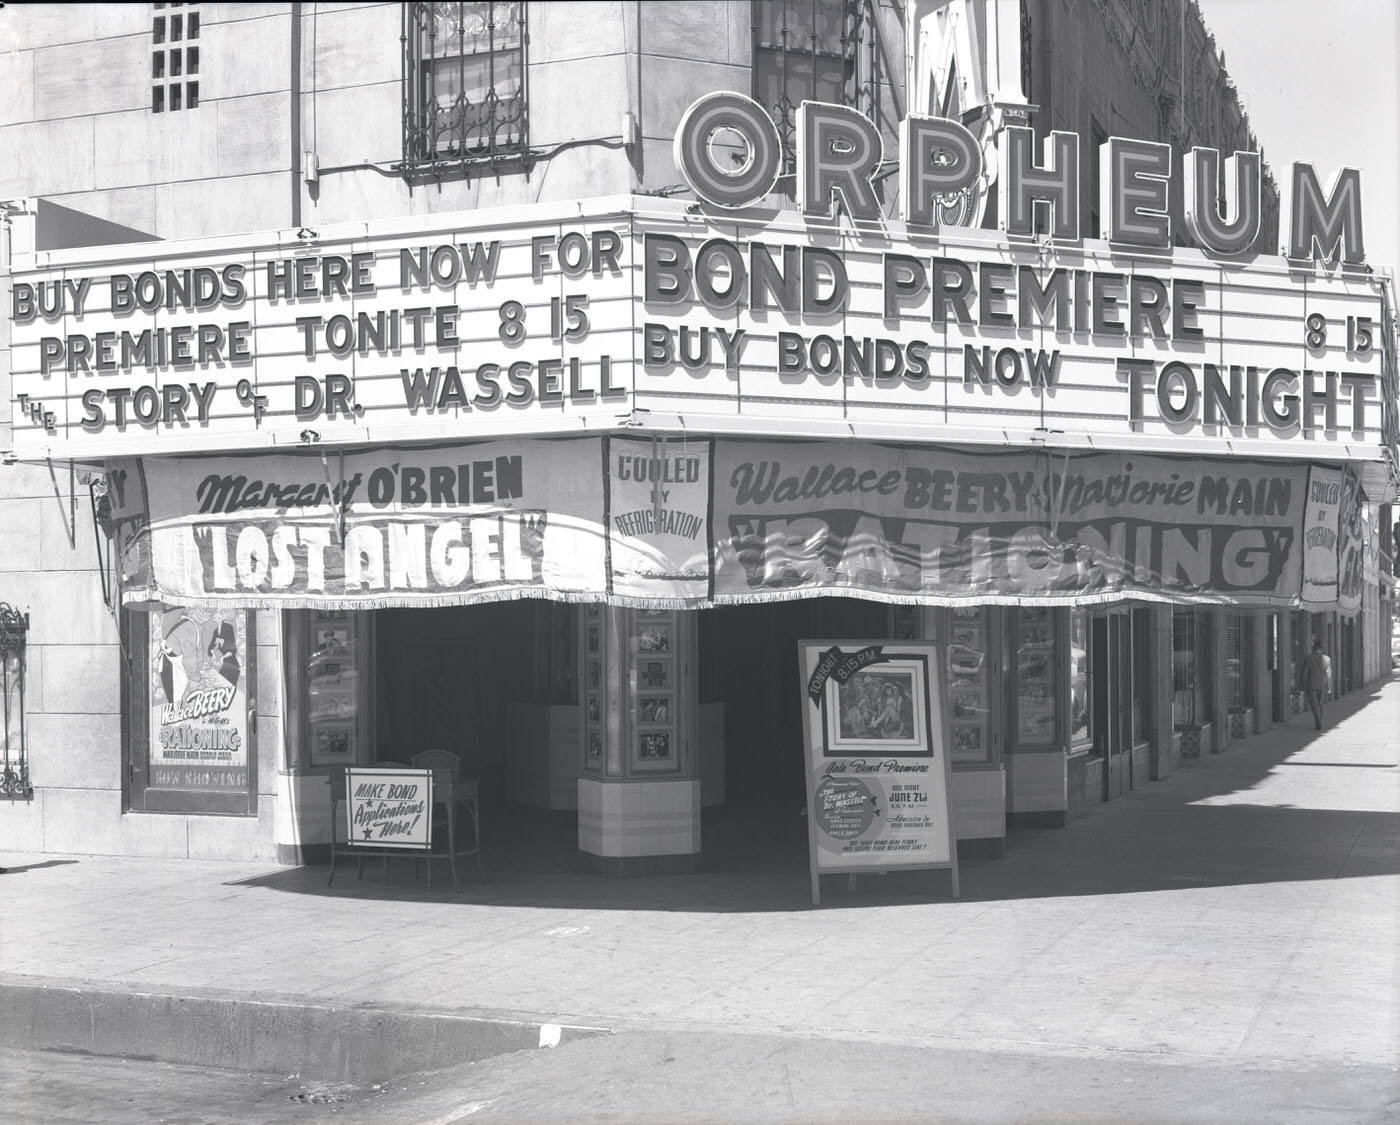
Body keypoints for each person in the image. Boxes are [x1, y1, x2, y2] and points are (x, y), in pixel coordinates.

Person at [1299, 640, 1333, 730]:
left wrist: (1302, 685)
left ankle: (1317, 720)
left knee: (1314, 704)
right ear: (1321, 649)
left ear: (1314, 648)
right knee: (1320, 704)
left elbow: (1305, 673)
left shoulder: (1308, 658)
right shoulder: (1327, 659)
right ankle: (1319, 721)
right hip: (1322, 685)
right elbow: (1329, 674)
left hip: (1312, 684)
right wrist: (1329, 687)